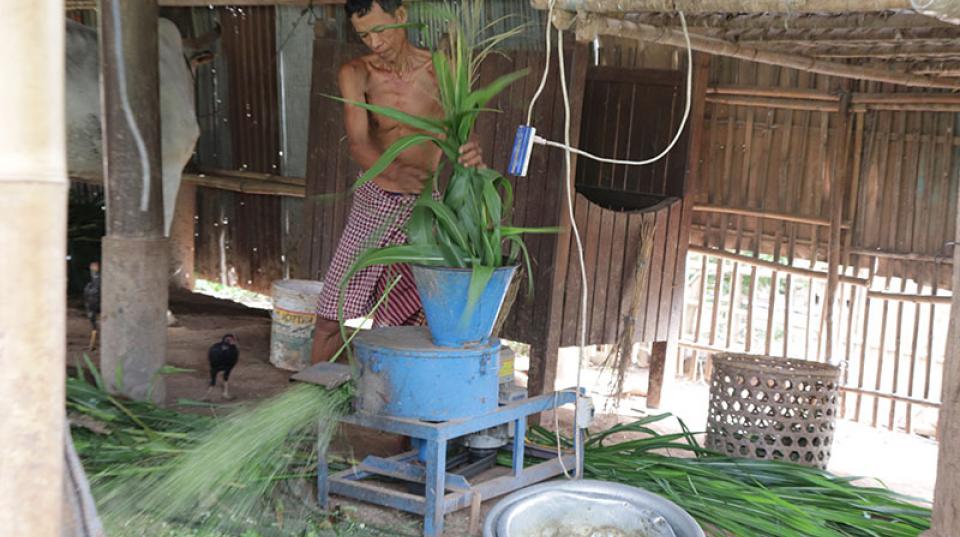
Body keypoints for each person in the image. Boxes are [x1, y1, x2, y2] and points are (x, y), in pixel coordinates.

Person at [310, 0, 484, 364]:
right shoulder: (357, 73)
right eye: (363, 35)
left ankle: (384, 396)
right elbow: (358, 143)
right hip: (375, 201)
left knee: (411, 317)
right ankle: (311, 400)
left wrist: (469, 152)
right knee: (330, 316)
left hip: (423, 209)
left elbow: (460, 136)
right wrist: (390, 174)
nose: (373, 42)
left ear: (401, 17)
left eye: (379, 30)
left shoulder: (444, 71)